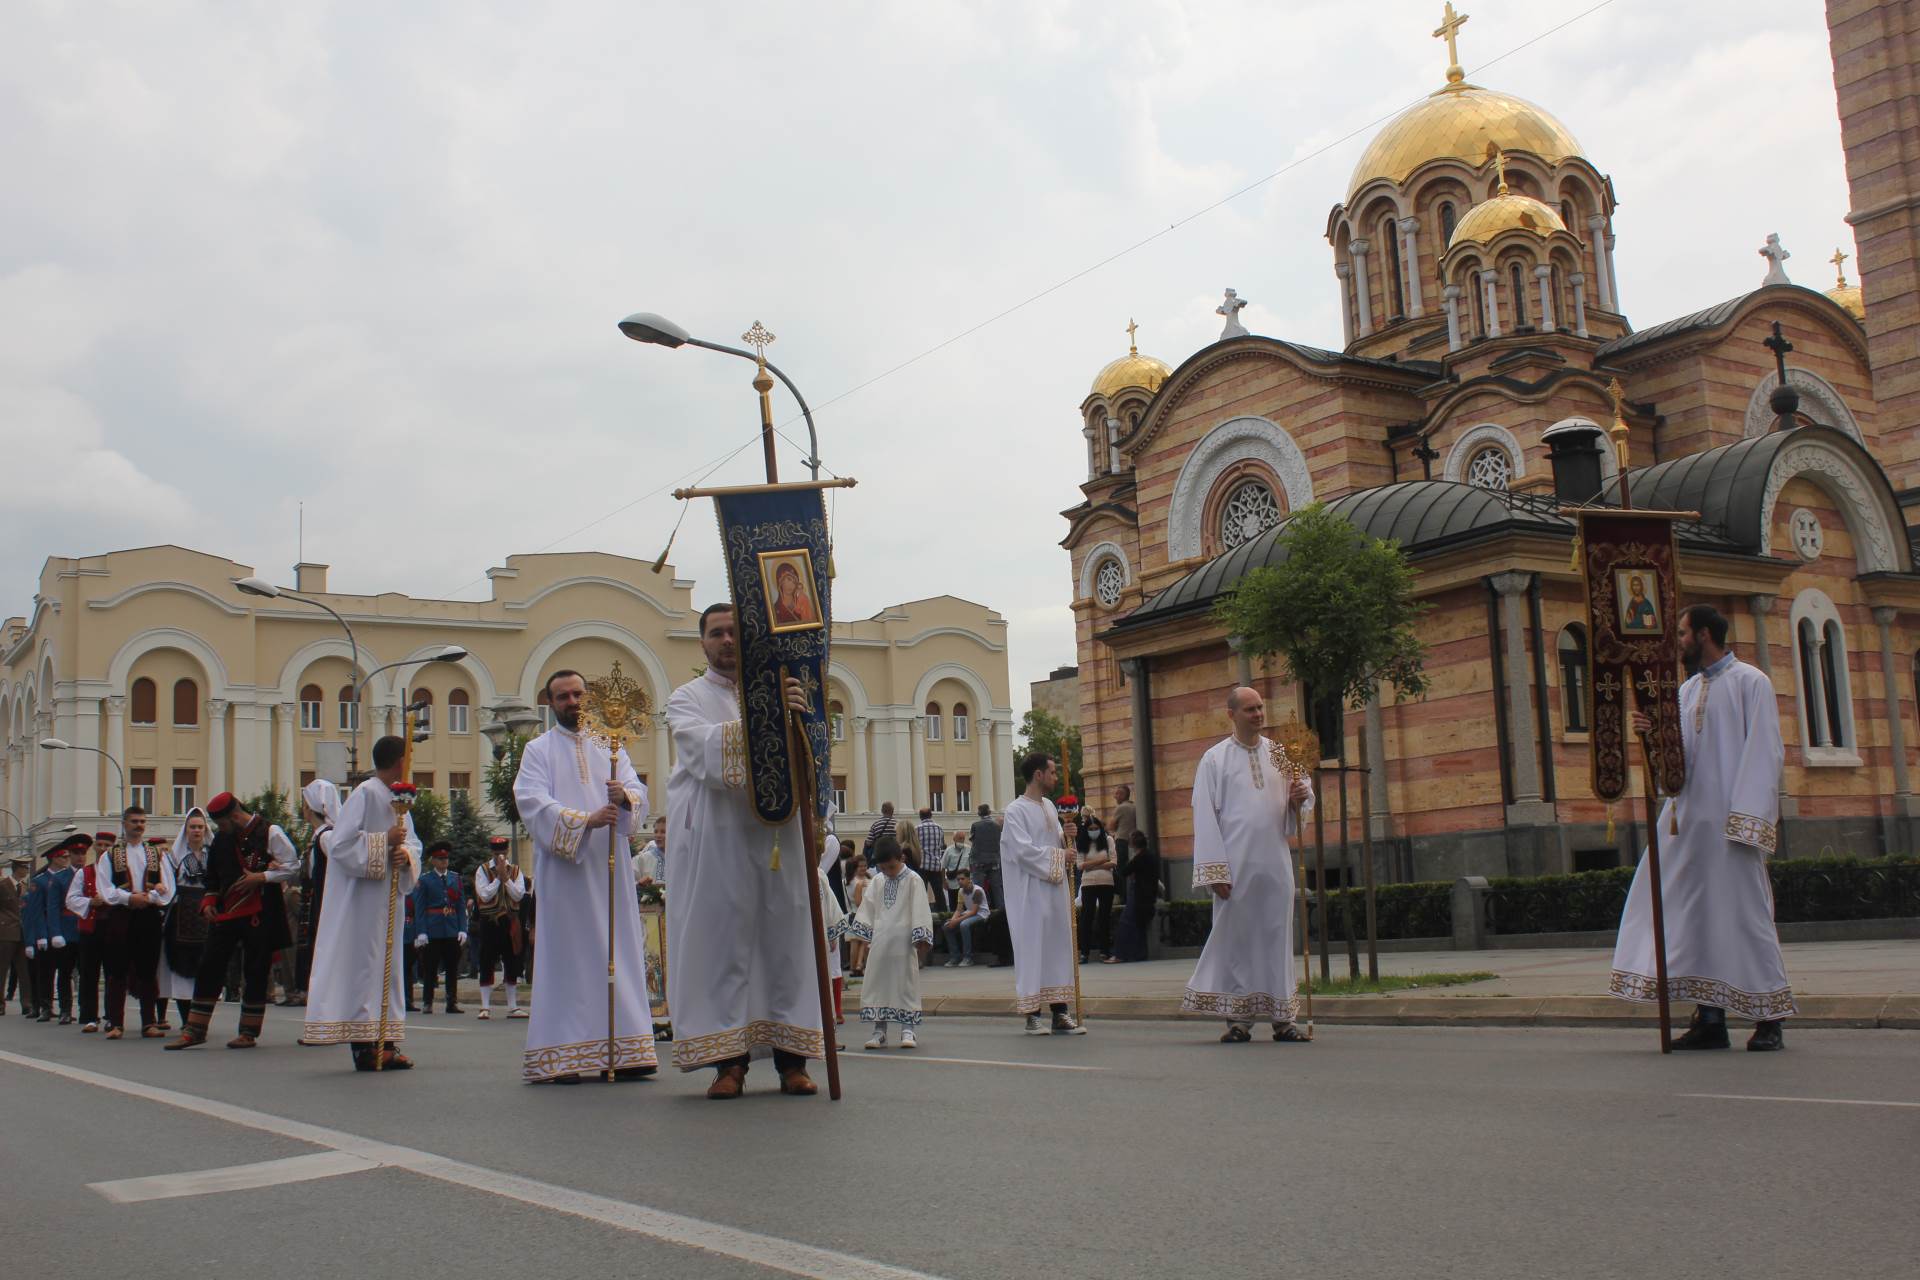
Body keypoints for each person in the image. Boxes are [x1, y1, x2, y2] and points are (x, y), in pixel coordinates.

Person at [1611, 604, 1794, 1050]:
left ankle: (1769, 1018)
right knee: (1689, 920)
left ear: (1706, 634)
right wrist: (1651, 733)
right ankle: (1710, 1018)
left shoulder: (1752, 682)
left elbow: (1765, 752)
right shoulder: (1686, 691)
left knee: (1746, 919)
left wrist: (1748, 822)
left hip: (1732, 828)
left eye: (1684, 632)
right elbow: (1678, 764)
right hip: (1686, 823)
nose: (1679, 641)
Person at [664, 604, 825, 1099]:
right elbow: (704, 753)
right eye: (717, 634)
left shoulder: (783, 688)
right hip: (721, 837)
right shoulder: (685, 698)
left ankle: (791, 1061)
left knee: (786, 941)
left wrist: (798, 713)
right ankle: (728, 1064)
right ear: (703, 644)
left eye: (735, 632)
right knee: (724, 943)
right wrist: (769, 715)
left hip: (779, 836)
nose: (727, 641)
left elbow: (812, 755)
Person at [513, 669, 657, 1085]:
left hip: (608, 869)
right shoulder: (538, 750)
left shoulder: (610, 746)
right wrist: (585, 820)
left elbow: (637, 791)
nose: (572, 702)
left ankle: (626, 1047)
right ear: (550, 702)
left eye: (578, 694)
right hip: (565, 872)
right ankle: (565, 1054)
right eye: (563, 696)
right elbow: (531, 802)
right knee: (569, 957)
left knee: (619, 949)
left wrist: (625, 798)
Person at [1181, 687, 1314, 1044]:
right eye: (1250, 709)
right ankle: (1238, 1020)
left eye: (1260, 708)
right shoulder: (1214, 759)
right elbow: (1205, 816)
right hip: (1235, 867)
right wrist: (1214, 870)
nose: (1258, 714)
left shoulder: (1282, 754)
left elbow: (1302, 800)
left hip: (1275, 863)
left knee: (1277, 938)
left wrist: (1299, 800)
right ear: (1232, 714)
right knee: (1238, 941)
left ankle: (1284, 1019)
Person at [301, 736, 422, 1071]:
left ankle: (386, 1041)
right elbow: (341, 845)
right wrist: (384, 842)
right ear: (400, 760)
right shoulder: (366, 794)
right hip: (364, 904)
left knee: (387, 969)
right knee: (366, 969)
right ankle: (366, 1046)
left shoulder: (399, 798)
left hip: (387, 901)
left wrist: (406, 856)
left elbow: (413, 841)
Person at [165, 792, 299, 1051]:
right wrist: (209, 900)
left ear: (234, 815)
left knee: (256, 969)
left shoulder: (270, 832)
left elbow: (291, 865)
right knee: (209, 964)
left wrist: (261, 878)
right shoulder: (223, 840)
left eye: (222, 823)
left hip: (260, 911)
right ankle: (195, 1029)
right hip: (228, 911)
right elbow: (213, 876)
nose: (219, 829)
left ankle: (248, 1031)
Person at [1002, 754, 1085, 1036]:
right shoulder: (1015, 810)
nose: (1056, 777)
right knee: (1033, 949)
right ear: (1038, 775)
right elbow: (1023, 851)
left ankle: (1060, 1012)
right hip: (1030, 892)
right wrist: (1062, 854)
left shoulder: (1050, 806)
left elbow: (1055, 839)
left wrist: (1067, 836)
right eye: (1052, 772)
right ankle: (1032, 1014)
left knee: (1057, 948)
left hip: (1055, 889)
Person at [95, 809, 175, 1038]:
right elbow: (105, 888)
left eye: (142, 821)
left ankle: (148, 1023)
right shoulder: (111, 855)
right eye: (134, 821)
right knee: (117, 970)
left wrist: (150, 897)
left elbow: (168, 888)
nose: (138, 825)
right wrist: (128, 897)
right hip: (121, 915)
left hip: (148, 915)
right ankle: (116, 1023)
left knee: (147, 970)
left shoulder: (155, 854)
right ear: (124, 824)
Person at [850, 835, 933, 1050]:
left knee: (905, 984)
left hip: (904, 944)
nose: (888, 871)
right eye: (883, 867)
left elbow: (920, 907)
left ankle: (908, 1030)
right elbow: (868, 907)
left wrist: (921, 935)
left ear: (901, 858)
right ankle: (879, 1031)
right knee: (878, 985)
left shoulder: (913, 879)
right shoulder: (877, 880)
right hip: (880, 943)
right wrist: (862, 932)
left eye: (892, 866)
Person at [161, 808, 212, 1026]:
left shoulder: (213, 855)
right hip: (181, 915)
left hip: (207, 913)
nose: (197, 831)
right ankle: (186, 1020)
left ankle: (200, 1018)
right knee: (181, 970)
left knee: (206, 968)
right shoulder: (173, 857)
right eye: (193, 827)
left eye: (200, 827)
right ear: (186, 830)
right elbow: (167, 887)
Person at [292, 779, 340, 1005]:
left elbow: (341, 867)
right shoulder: (317, 837)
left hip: (323, 903)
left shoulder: (327, 837)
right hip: (313, 901)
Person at [25, 840, 82, 1023]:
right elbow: (36, 912)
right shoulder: (40, 881)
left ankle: (66, 1008)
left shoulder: (69, 876)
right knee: (46, 972)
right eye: (63, 856)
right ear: (53, 859)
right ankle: (45, 1007)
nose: (66, 859)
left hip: (63, 930)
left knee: (64, 971)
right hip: (47, 932)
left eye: (67, 856)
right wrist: (39, 937)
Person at [411, 842, 468, 1015]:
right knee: (430, 968)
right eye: (440, 859)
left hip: (451, 929)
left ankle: (452, 1001)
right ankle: (428, 1001)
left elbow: (460, 904)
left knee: (452, 967)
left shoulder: (455, 878)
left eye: (446, 859)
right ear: (433, 861)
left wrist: (462, 928)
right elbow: (419, 908)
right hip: (433, 929)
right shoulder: (425, 880)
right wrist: (421, 931)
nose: (444, 862)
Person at [474, 836, 527, 1021]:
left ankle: (513, 1007)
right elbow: (484, 895)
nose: (500, 857)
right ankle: (485, 1006)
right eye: (497, 854)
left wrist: (507, 879)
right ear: (492, 853)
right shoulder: (482, 870)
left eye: (503, 853)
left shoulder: (517, 871)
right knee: (487, 960)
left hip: (510, 921)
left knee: (512, 961)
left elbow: (519, 894)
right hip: (490, 921)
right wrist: (498, 878)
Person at [62, 833, 107, 1032]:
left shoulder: (121, 872)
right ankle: (89, 1016)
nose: (104, 849)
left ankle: (113, 1017)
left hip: (114, 928)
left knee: (115, 974)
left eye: (108, 845)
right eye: (100, 845)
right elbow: (71, 900)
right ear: (95, 848)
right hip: (90, 928)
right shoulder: (85, 872)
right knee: (89, 973)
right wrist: (90, 902)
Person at [968, 804, 1010, 966]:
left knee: (978, 886)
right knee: (996, 886)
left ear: (979, 813)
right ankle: (1001, 908)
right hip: (994, 859)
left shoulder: (976, 825)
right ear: (990, 812)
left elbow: (972, 840)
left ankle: (978, 908)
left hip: (978, 859)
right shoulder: (996, 825)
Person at [1108, 831, 1159, 963]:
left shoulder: (1139, 858)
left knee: (1126, 924)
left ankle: (1120, 954)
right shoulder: (1151, 856)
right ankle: (1138, 954)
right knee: (1140, 927)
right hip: (1149, 896)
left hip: (1138, 895)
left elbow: (1124, 871)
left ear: (1132, 844)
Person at [1075, 812, 1117, 964]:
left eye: (1096, 828)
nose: (1093, 831)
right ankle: (1084, 953)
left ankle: (1104, 951)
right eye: (1090, 828)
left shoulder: (1108, 840)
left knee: (1104, 918)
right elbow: (1080, 865)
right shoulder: (1081, 843)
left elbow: (1113, 862)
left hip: (1106, 883)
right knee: (1087, 918)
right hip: (1088, 884)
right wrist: (1100, 861)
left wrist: (1090, 864)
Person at [0, 855, 32, 1017]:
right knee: (2, 969)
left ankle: (26, 1003)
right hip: (5, 932)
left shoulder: (25, 887)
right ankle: (0, 1004)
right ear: (16, 868)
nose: (26, 870)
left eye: (27, 868)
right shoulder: (3, 885)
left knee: (24, 970)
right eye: (24, 868)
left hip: (23, 932)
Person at [942, 868, 990, 967]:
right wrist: (953, 920)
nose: (960, 881)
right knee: (947, 926)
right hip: (969, 913)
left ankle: (968, 957)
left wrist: (957, 921)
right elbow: (959, 909)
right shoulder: (960, 891)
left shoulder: (977, 891)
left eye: (962, 879)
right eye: (958, 879)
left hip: (981, 914)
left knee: (964, 925)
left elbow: (974, 911)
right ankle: (955, 957)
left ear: (969, 879)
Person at [913, 808, 948, 916]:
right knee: (938, 892)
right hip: (936, 864)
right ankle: (943, 913)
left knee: (921, 891)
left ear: (920, 816)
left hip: (922, 864)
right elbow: (942, 845)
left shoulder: (917, 829)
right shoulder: (939, 828)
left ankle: (921, 913)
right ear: (931, 815)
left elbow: (915, 845)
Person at [845, 856, 872, 976]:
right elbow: (858, 901)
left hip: (850, 913)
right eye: (860, 866)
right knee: (861, 941)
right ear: (855, 867)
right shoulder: (859, 882)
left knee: (855, 941)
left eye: (865, 866)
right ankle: (858, 965)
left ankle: (854, 966)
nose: (863, 868)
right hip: (860, 913)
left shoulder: (847, 881)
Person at [632, 815, 667, 896]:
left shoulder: (679, 859)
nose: (658, 835)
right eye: (656, 831)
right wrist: (639, 884)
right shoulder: (642, 859)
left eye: (663, 832)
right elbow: (628, 882)